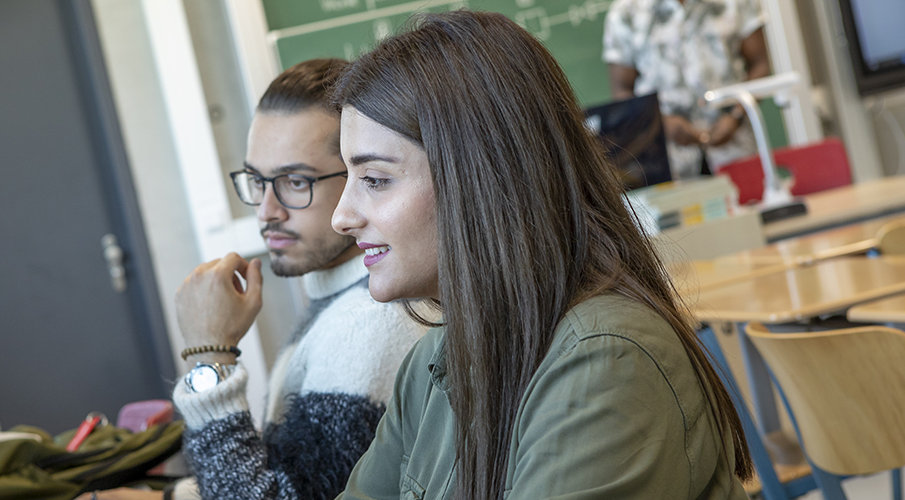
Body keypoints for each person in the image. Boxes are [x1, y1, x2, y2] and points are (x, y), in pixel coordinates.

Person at [329, 11, 752, 499]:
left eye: (375, 180)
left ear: (481, 178)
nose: (343, 216)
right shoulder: (433, 363)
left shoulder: (604, 358)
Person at [83, 59, 425, 500]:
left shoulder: (370, 322)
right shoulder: (341, 300)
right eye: (257, 181)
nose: (266, 211)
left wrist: (210, 358)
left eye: (294, 182)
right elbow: (284, 475)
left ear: (362, 174)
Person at [603, 0, 771, 179]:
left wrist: (735, 116)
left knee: (747, 203)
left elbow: (760, 66)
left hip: (736, 147)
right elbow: (622, 90)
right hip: (667, 159)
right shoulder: (625, 12)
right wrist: (661, 124)